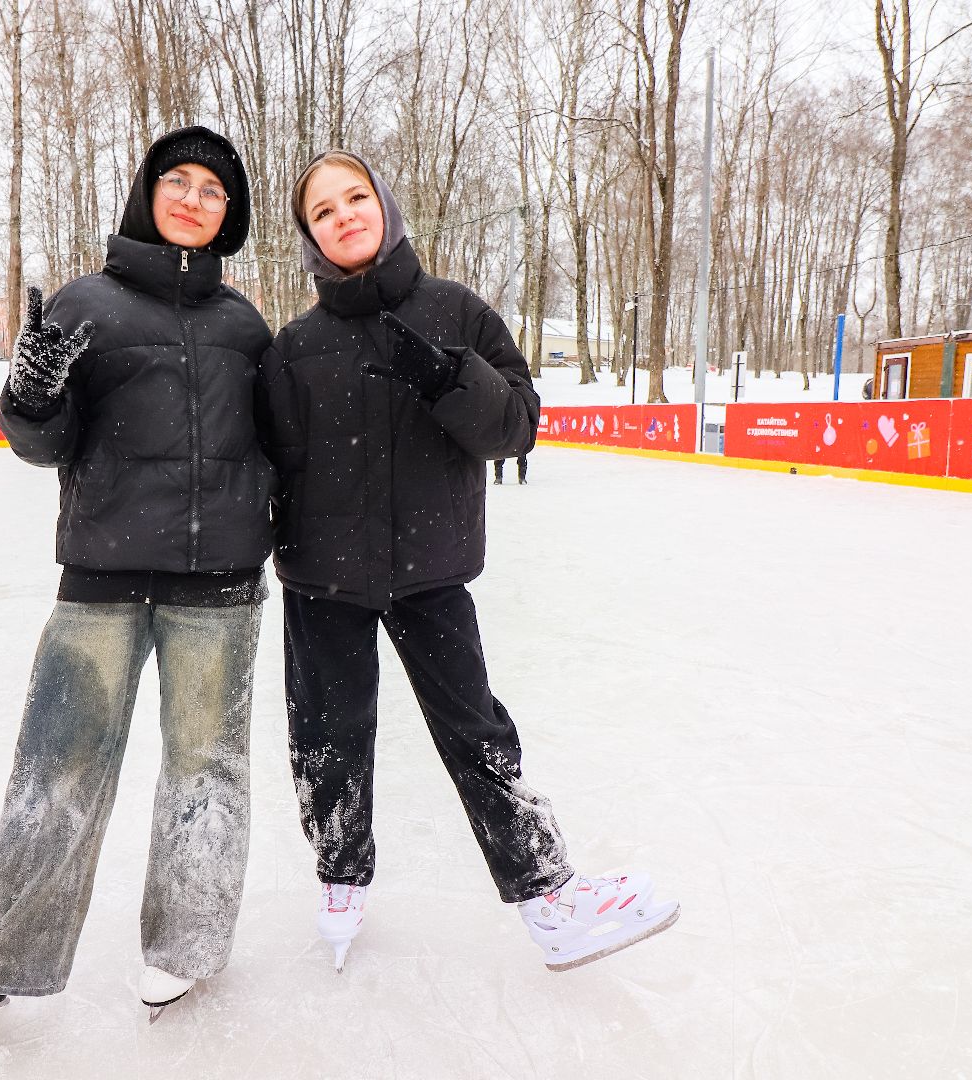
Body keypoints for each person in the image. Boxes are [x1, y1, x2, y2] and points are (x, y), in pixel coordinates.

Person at [0, 126, 274, 1037]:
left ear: (229, 216)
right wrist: (32, 395)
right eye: (176, 181)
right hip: (99, 578)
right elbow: (43, 445)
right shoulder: (86, 303)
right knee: (55, 767)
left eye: (213, 192)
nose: (192, 199)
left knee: (207, 773)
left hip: (218, 589)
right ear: (147, 193)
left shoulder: (244, 325)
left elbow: (278, 449)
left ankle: (188, 948)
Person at [257, 150, 678, 974]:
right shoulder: (293, 345)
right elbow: (268, 463)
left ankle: (549, 898)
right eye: (323, 211)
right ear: (309, 236)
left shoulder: (457, 311)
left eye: (356, 197)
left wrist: (454, 379)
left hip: (431, 572)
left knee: (478, 736)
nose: (344, 215)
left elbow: (517, 425)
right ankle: (340, 881)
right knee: (326, 739)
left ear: (386, 203)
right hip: (323, 581)